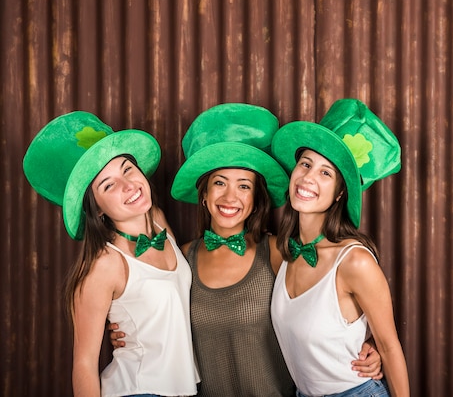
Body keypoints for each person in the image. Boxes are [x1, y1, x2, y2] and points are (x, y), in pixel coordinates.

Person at [109, 103, 383, 396]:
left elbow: (334, 304)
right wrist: (128, 331)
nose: (230, 197)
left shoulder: (281, 253)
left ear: (256, 199)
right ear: (203, 195)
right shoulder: (180, 259)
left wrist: (371, 346)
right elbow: (153, 307)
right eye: (219, 183)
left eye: (244, 186)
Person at [23, 111, 199, 397]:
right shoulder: (104, 265)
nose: (128, 185)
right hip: (138, 390)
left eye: (127, 169)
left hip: (183, 390)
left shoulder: (157, 220)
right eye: (109, 185)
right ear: (99, 208)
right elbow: (83, 364)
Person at [270, 98, 410, 397]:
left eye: (326, 173)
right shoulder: (286, 253)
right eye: (306, 164)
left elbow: (389, 345)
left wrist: (375, 346)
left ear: (338, 194)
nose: (308, 177)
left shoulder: (354, 261)